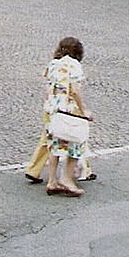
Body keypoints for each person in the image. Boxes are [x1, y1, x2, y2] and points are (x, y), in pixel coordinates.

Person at [41, 36, 92, 197]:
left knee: (54, 144)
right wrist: (84, 110)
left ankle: (51, 181)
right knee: (76, 142)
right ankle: (67, 179)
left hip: (52, 108)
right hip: (68, 108)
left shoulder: (53, 64)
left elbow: (49, 87)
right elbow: (75, 90)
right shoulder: (74, 65)